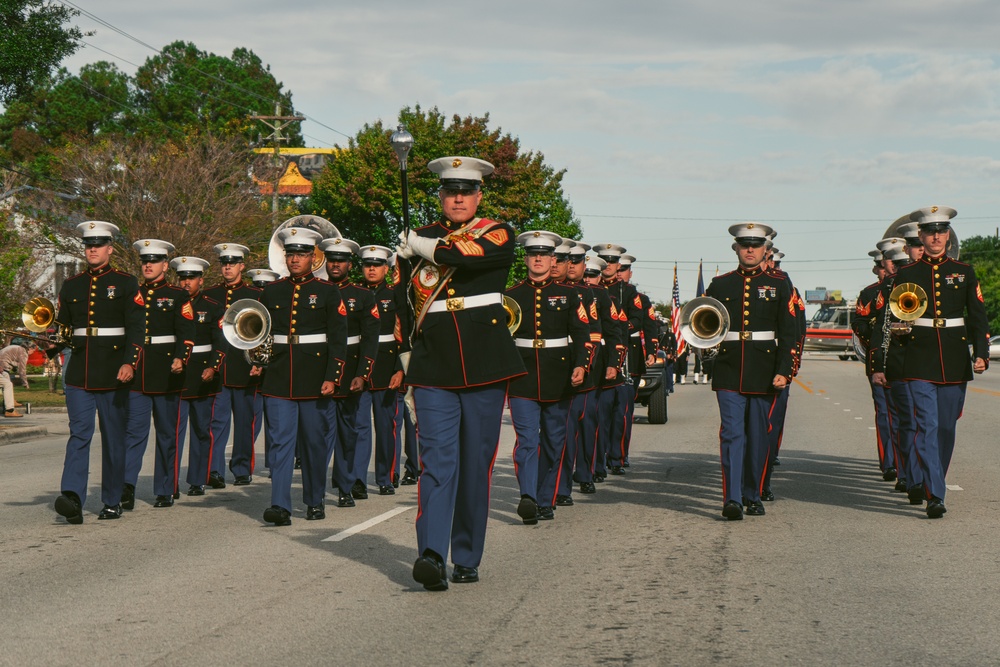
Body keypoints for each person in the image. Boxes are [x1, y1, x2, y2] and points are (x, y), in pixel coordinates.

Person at [395, 155, 526, 591]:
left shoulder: (496, 232)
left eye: (465, 192)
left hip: (485, 359)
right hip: (433, 361)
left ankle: (466, 554)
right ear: (440, 195)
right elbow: (403, 302)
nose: (457, 198)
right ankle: (432, 553)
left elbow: (464, 257)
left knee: (475, 464)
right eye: (450, 191)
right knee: (437, 461)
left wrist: (419, 247)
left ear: (478, 195)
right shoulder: (422, 238)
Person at [871, 206, 989, 518]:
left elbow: (977, 316)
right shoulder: (907, 275)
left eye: (941, 231)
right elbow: (896, 324)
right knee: (927, 425)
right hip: (917, 360)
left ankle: (934, 477)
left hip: (953, 358)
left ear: (947, 236)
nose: (936, 237)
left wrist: (981, 353)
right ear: (921, 237)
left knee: (946, 428)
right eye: (930, 232)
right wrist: (888, 365)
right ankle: (935, 493)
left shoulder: (964, 272)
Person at [253, 227, 348, 525]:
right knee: (279, 443)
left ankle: (314, 499)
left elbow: (338, 339)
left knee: (314, 443)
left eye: (302, 254)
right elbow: (261, 332)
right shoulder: (271, 291)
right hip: (279, 375)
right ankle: (280, 504)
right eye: (291, 254)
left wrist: (333, 376)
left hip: (314, 376)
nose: (295, 259)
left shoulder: (328, 291)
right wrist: (256, 358)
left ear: (313, 257)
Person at [705, 223, 798, 521]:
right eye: (744, 244)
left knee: (758, 436)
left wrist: (785, 370)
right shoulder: (720, 284)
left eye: (755, 245)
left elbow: (790, 331)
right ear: (735, 248)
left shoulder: (780, 282)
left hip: (765, 368)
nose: (749, 249)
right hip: (730, 367)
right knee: (732, 434)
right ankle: (731, 499)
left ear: (765, 249)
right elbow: (706, 325)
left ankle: (752, 494)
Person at [54, 221, 143, 524]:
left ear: (110, 248)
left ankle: (112, 499)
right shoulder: (72, 285)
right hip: (79, 371)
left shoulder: (127, 282)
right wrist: (51, 342)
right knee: (79, 433)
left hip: (112, 371)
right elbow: (64, 329)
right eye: (88, 244)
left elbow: (136, 328)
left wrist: (130, 362)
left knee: (113, 437)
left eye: (98, 244)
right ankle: (73, 497)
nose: (92, 249)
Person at [506, 231, 589, 522]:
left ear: (553, 259)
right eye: (533, 254)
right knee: (527, 440)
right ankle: (528, 496)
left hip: (559, 375)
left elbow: (581, 333)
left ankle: (545, 498)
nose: (538, 259)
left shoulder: (569, 294)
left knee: (554, 442)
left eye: (544, 255)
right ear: (526, 258)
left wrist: (582, 365)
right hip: (522, 376)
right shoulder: (512, 295)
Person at [123, 239, 195, 510]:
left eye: (154, 261)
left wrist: (181, 358)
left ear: (165, 265)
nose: (148, 265)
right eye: (145, 261)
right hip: (139, 371)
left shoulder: (178, 296)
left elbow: (187, 332)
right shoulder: (133, 294)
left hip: (167, 372)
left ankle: (165, 488)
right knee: (133, 434)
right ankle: (127, 486)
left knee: (167, 434)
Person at [318, 237, 379, 506]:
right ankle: (315, 488)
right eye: (331, 260)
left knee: (347, 434)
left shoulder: (363, 295)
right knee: (318, 434)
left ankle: (344, 486)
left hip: (350, 372)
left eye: (340, 261)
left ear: (349, 264)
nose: (335, 265)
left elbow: (370, 338)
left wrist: (363, 374)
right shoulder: (316, 291)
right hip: (319, 370)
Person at [204, 243, 262, 488]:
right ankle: (214, 469)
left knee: (245, 421)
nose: (227, 267)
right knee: (216, 421)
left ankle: (241, 467)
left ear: (242, 266)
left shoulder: (255, 295)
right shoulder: (210, 295)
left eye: (232, 263)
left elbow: (263, 332)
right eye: (224, 263)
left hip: (244, 365)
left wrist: (259, 361)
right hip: (219, 367)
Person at [169, 256, 226, 496]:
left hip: (203, 374)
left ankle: (198, 479)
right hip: (177, 373)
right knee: (172, 432)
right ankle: (169, 483)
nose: (185, 283)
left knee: (202, 430)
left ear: (200, 281)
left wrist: (213, 367)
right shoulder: (169, 304)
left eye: (191, 278)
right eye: (182, 278)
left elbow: (221, 341)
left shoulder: (212, 306)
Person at [356, 245, 409, 495]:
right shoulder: (353, 294)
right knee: (359, 425)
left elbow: (405, 335)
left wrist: (400, 369)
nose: (372, 269)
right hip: (358, 366)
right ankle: (356, 478)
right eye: (367, 265)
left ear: (386, 269)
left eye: (377, 265)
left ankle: (385, 477)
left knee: (387, 427)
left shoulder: (395, 295)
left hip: (387, 366)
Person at [594, 243, 635, 475]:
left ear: (618, 266)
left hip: (618, 355)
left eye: (612, 262)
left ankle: (617, 458)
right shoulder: (590, 289)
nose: (607, 266)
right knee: (596, 416)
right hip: (595, 355)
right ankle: (596, 462)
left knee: (619, 415)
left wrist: (617, 328)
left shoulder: (629, 293)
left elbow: (637, 321)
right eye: (604, 261)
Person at [0, 341, 30, 417]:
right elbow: (22, 370)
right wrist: (25, 383)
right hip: (3, 367)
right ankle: (9, 410)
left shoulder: (16, 348)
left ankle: (10, 403)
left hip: (3, 365)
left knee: (7, 385)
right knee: (8, 384)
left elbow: (12, 360)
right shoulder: (23, 353)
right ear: (30, 349)